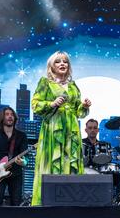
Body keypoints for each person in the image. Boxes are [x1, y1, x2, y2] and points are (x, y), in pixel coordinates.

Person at [31, 51, 91, 206]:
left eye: (65, 61)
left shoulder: (73, 86)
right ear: (52, 66)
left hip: (71, 131)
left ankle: (70, 201)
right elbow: (35, 105)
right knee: (52, 162)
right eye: (58, 61)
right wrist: (51, 104)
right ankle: (48, 202)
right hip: (53, 129)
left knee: (70, 162)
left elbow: (79, 112)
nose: (62, 64)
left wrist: (83, 106)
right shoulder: (45, 83)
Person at [0, 107, 28, 206]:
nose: (10, 116)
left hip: (16, 173)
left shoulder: (21, 136)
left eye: (12, 114)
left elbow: (26, 158)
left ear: (15, 118)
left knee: (16, 203)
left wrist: (23, 162)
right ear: (2, 118)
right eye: (7, 114)